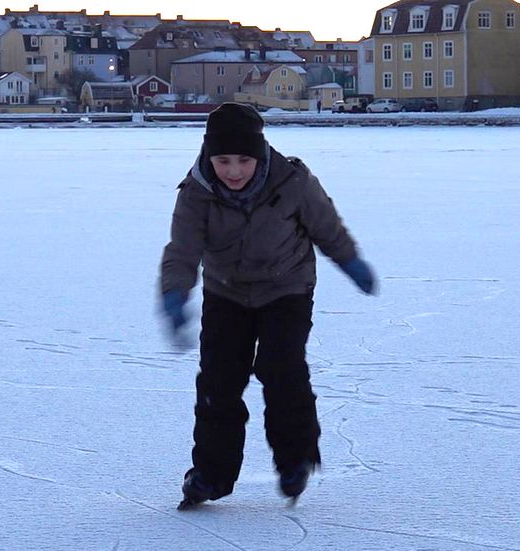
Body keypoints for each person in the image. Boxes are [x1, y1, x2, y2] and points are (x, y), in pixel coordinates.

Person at [159, 102, 376, 508]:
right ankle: (210, 474)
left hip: (286, 289)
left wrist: (349, 261)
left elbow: (326, 227)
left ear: (260, 154)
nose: (234, 171)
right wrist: (175, 292)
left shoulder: (292, 181)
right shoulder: (196, 193)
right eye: (223, 161)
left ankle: (296, 460)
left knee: (282, 368)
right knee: (218, 382)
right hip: (226, 293)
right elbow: (183, 249)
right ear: (209, 157)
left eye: (243, 160)